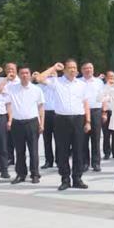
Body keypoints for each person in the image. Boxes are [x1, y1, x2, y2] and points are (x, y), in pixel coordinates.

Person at [36, 61, 92, 191]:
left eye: (74, 68)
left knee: (79, 150)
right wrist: (53, 67)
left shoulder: (82, 85)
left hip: (78, 119)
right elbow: (39, 78)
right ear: (65, 70)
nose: (72, 70)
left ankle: (77, 178)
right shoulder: (56, 82)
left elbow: (85, 103)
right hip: (62, 120)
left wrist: (88, 121)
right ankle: (65, 179)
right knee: (63, 151)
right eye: (70, 68)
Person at [0, 66, 45, 184]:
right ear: (18, 75)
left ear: (30, 75)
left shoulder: (36, 89)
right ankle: (21, 174)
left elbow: (41, 107)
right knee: (19, 151)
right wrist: (6, 79)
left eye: (27, 73)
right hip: (17, 123)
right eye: (22, 73)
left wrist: (42, 123)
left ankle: (35, 174)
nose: (24, 75)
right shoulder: (11, 88)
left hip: (32, 122)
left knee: (33, 151)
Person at [80, 62, 104, 172]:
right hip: (81, 112)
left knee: (96, 138)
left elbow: (103, 97)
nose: (88, 70)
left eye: (90, 68)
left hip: (96, 111)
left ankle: (96, 163)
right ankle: (85, 163)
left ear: (93, 70)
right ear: (81, 70)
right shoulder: (78, 82)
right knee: (83, 139)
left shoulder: (99, 82)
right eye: (85, 68)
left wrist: (104, 112)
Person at [0, 62, 19, 165]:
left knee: (18, 137)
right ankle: (9, 157)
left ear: (16, 70)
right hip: (4, 111)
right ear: (5, 70)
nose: (10, 71)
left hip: (17, 112)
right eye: (8, 69)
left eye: (12, 69)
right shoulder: (1, 80)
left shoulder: (20, 81)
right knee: (7, 137)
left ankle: (19, 157)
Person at [41, 74, 58, 169]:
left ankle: (59, 160)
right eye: (50, 73)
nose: (51, 75)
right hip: (46, 113)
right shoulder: (41, 85)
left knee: (59, 139)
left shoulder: (59, 83)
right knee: (47, 139)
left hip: (57, 113)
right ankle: (48, 160)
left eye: (54, 73)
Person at [101, 70, 114, 160]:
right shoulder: (102, 88)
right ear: (106, 78)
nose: (111, 78)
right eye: (109, 77)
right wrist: (104, 113)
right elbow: (101, 100)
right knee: (106, 134)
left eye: (113, 76)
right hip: (106, 112)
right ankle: (107, 152)